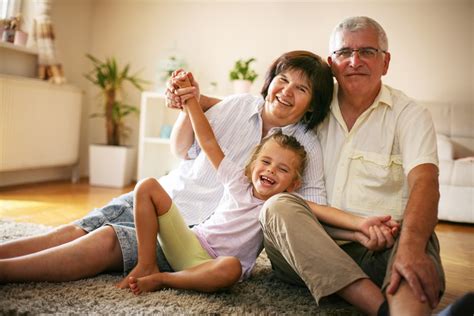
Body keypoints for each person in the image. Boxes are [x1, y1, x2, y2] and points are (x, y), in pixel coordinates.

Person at [168, 16, 445, 316]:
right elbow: (265, 107)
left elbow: (425, 183)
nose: (354, 61)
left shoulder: (409, 114)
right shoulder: (314, 111)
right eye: (344, 53)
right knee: (278, 206)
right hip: (305, 244)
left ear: (385, 62)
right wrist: (197, 99)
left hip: (384, 238)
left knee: (414, 254)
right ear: (332, 62)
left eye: (367, 51)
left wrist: (411, 247)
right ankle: (377, 307)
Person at [0, 51, 334, 286]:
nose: (286, 91)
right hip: (168, 196)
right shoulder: (237, 105)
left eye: (301, 88)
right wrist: (188, 102)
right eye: (283, 79)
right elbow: (183, 148)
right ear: (270, 80)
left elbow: (307, 209)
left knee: (104, 242)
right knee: (73, 231)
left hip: (194, 236)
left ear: (313, 104)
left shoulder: (306, 148)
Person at [124, 71, 399, 295]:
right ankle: (146, 264)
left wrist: (361, 227)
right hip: (191, 244)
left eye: (281, 170)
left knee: (231, 268)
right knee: (147, 186)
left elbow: (323, 214)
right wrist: (192, 101)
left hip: (216, 268)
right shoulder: (237, 180)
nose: (270, 172)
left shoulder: (280, 207)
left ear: (293, 184)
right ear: (252, 165)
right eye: (265, 163)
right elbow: (207, 141)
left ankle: (165, 280)